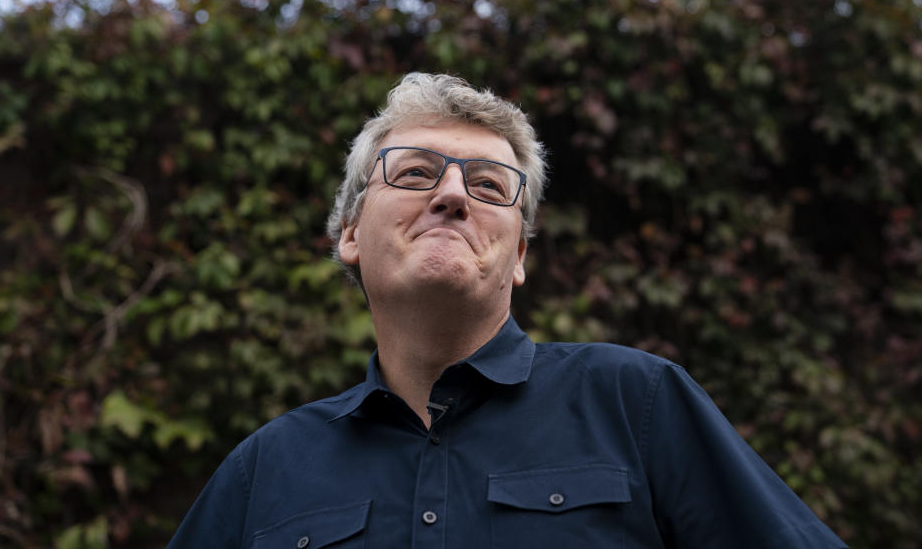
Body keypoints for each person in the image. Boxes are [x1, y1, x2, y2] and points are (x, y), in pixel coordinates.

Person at [168, 73, 847, 548]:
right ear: (349, 234)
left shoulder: (636, 405)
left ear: (518, 255)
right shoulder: (263, 472)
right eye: (413, 174)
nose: (453, 195)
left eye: (490, 185)